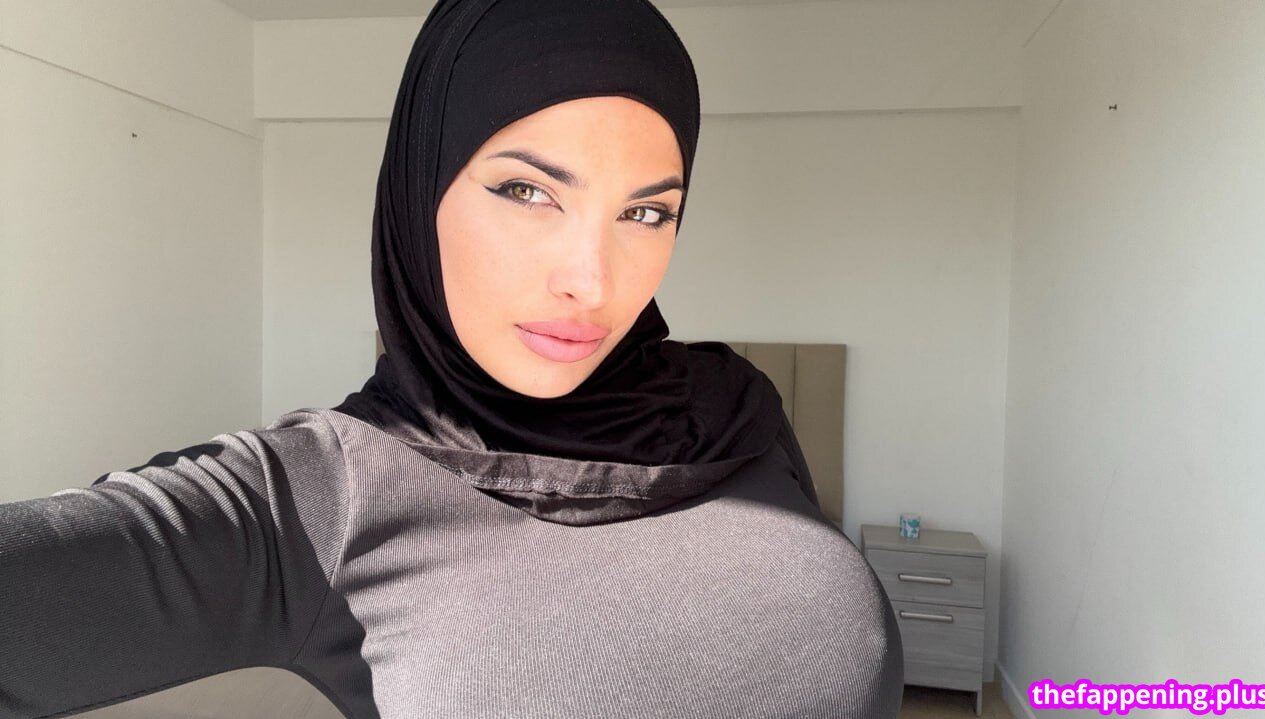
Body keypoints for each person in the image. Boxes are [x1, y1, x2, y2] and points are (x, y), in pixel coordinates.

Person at [0, 0, 904, 717]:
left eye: (646, 212)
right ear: (419, 186)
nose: (591, 282)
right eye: (527, 190)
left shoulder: (734, 406)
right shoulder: (319, 494)